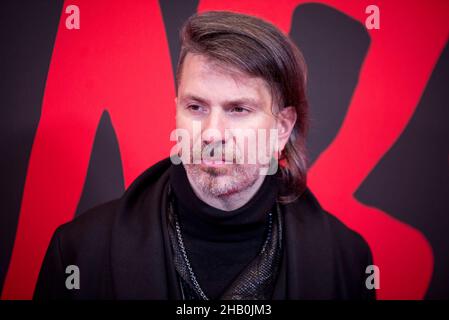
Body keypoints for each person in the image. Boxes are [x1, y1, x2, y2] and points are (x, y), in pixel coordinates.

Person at [34, 11, 375, 300]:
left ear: (282, 128)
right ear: (177, 110)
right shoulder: (79, 252)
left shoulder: (347, 262)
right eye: (196, 107)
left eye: (239, 109)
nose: (212, 132)